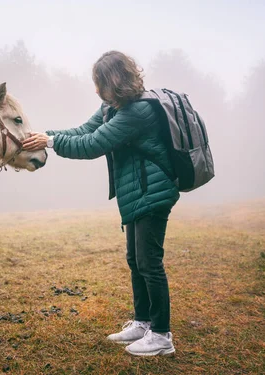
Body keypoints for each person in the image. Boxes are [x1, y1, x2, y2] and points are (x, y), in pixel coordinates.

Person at [22, 51, 179, 357]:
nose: (95, 89)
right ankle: (143, 321)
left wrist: (50, 143)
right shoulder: (113, 106)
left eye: (99, 83)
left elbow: (93, 144)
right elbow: (84, 131)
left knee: (149, 263)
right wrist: (47, 136)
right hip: (136, 192)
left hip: (153, 192)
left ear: (114, 81)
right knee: (136, 260)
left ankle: (161, 335)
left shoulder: (137, 112)